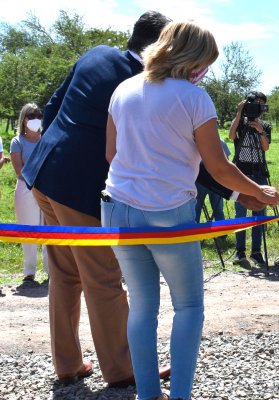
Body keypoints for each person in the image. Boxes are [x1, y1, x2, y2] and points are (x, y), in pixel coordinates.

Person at [102, 20, 279, 400]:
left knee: (142, 307)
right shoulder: (194, 97)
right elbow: (218, 166)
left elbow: (110, 155)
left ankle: (148, 394)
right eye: (206, 63)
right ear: (191, 58)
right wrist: (259, 192)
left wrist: (240, 195)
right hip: (168, 212)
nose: (205, 71)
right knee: (188, 306)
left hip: (117, 208)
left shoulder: (122, 90)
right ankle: (180, 394)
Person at [21, 11, 172, 387]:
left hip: (42, 177)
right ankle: (123, 368)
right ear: (161, 46)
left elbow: (54, 104)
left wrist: (55, 149)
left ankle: (68, 365)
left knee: (64, 274)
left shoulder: (96, 54)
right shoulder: (142, 82)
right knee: (102, 277)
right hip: (78, 190)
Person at [229, 91, 272, 267]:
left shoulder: (265, 125)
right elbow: (232, 136)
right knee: (241, 214)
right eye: (255, 104)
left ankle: (256, 252)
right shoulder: (240, 124)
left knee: (259, 214)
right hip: (241, 174)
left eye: (261, 105)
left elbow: (266, 147)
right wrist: (239, 113)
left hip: (260, 173)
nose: (258, 108)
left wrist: (261, 131)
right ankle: (240, 252)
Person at [9, 103, 49, 283]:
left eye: (38, 115)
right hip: (26, 189)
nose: (36, 119)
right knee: (28, 230)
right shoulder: (17, 142)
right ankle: (29, 273)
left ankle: (51, 272)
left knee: (50, 231)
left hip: (48, 189)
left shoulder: (46, 138)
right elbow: (20, 170)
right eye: (32, 116)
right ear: (24, 119)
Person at [195, 139, 229, 224]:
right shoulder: (220, 142)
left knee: (198, 210)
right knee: (197, 209)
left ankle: (221, 235)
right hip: (204, 181)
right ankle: (195, 235)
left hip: (210, 181)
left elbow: (226, 162)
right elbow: (227, 162)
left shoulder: (220, 142)